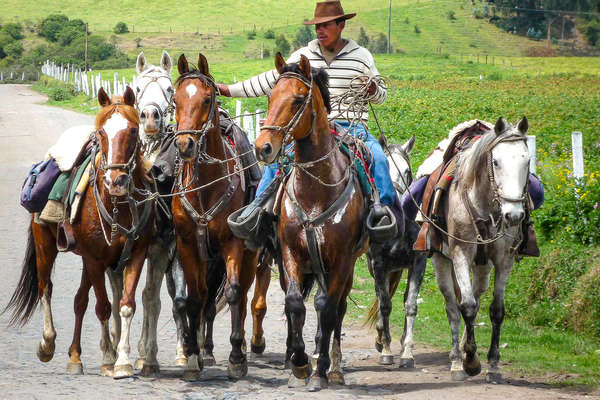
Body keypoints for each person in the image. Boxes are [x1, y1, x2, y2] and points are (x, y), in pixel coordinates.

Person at [219, 1, 400, 241]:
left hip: (351, 127)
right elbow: (271, 80)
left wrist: (372, 89)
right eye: (317, 26)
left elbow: (381, 95)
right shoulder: (303, 56)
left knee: (377, 156)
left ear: (341, 24)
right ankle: (258, 210)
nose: (320, 31)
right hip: (310, 131)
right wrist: (228, 90)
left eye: (325, 25)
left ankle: (383, 211)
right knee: (278, 160)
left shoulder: (361, 57)